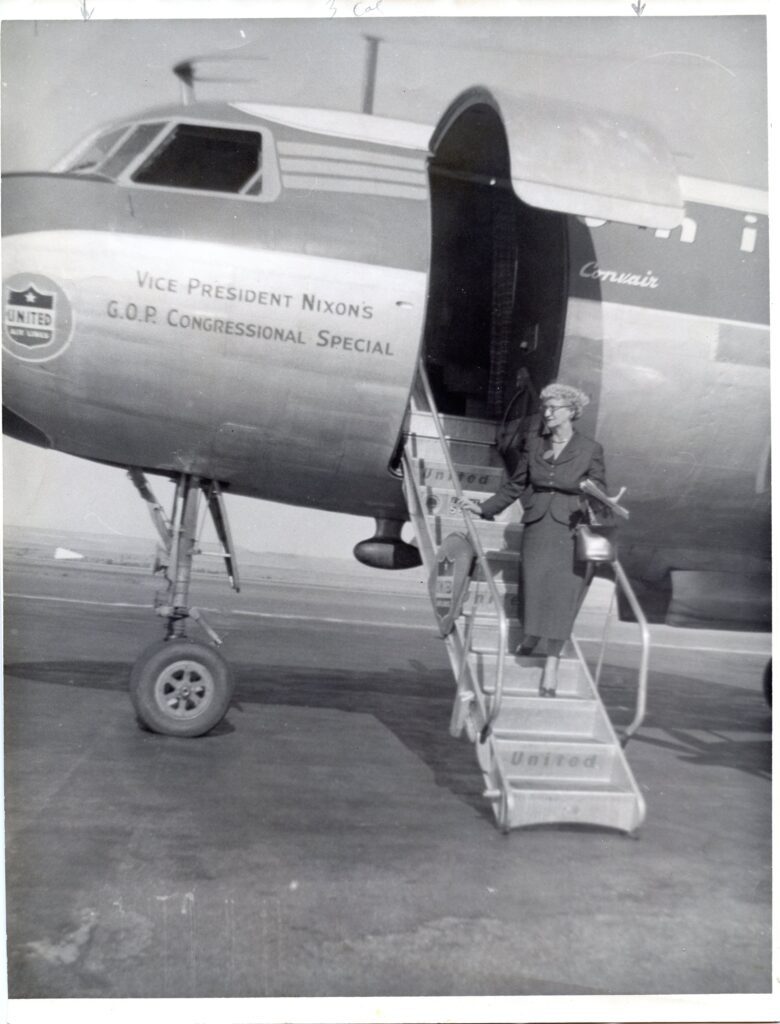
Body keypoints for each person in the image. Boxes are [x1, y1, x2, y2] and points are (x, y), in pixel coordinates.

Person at [458, 382, 610, 697]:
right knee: (535, 586)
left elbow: (599, 489)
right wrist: (484, 507)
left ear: (572, 412)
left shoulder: (590, 448)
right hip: (539, 525)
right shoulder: (534, 444)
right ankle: (531, 635)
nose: (548, 412)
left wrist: (597, 498)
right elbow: (516, 485)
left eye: (555, 408)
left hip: (572, 528)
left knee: (563, 595)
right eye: (546, 407)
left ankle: (551, 665)